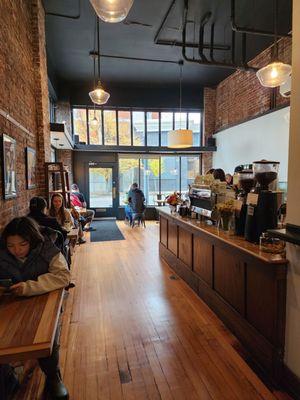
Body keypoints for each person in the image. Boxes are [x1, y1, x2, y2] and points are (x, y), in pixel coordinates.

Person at [0, 217, 70, 399]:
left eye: (22, 245)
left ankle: (53, 377)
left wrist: (29, 287)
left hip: (44, 301)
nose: (16, 251)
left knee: (47, 338)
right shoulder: (2, 253)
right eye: (10, 246)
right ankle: (7, 378)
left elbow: (63, 276)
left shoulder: (46, 248)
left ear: (32, 239)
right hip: (10, 304)